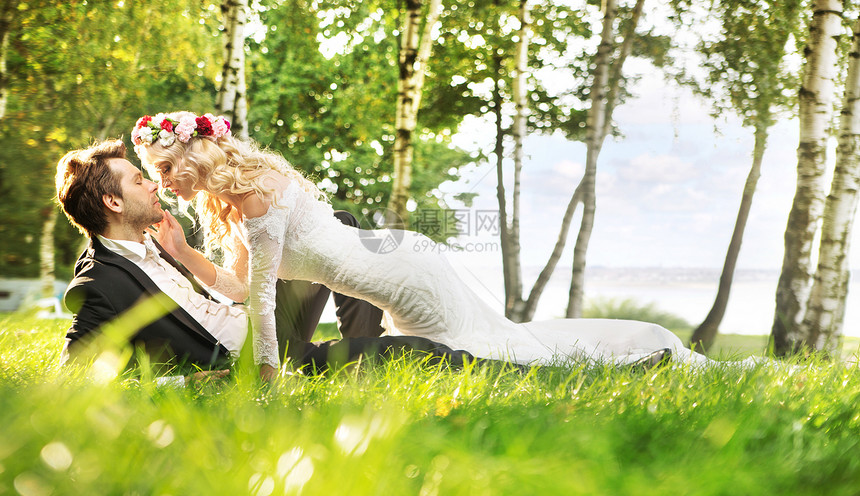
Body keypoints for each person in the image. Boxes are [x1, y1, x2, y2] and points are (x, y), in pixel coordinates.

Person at [132, 111, 704, 380]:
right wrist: (185, 255)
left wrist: (265, 374)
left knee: (484, 353)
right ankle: (639, 353)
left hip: (404, 272)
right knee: (482, 346)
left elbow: (259, 300)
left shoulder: (255, 195)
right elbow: (241, 284)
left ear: (192, 155)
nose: (160, 183)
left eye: (161, 167)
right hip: (393, 260)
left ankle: (641, 358)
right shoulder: (234, 203)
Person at [55, 139, 483, 381]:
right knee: (417, 352)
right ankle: (376, 357)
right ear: (113, 201)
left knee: (339, 223)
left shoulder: (157, 242)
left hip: (258, 322)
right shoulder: (99, 284)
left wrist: (183, 253)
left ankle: (362, 344)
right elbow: (74, 380)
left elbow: (238, 291)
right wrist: (187, 382)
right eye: (139, 179)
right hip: (256, 355)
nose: (154, 185)